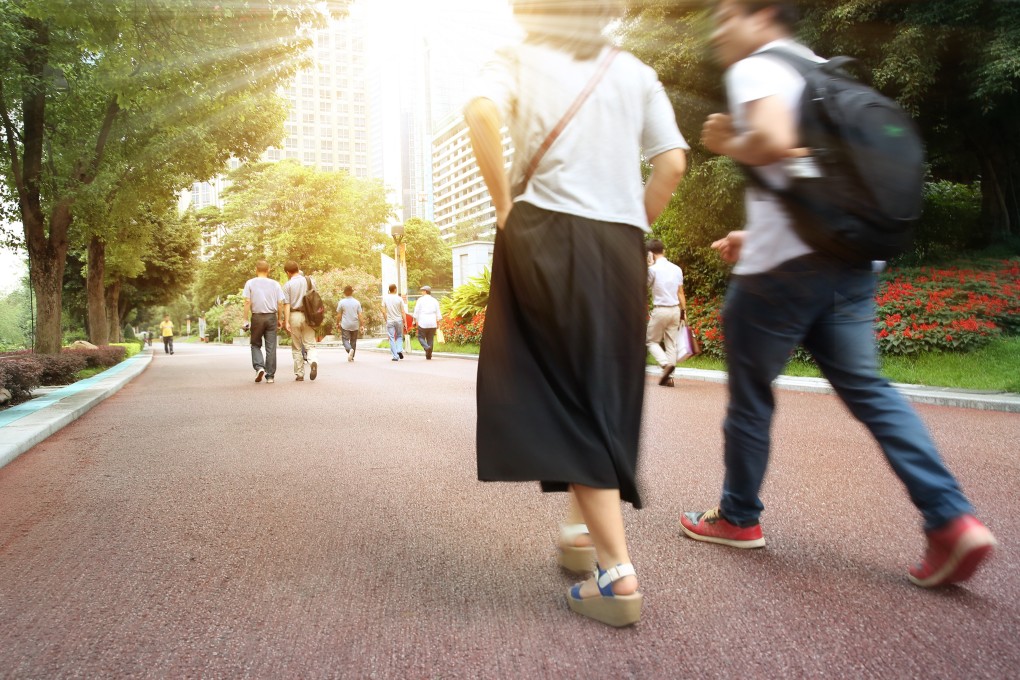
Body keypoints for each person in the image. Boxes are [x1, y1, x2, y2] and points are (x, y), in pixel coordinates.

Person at [682, 0, 996, 588]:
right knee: (871, 391)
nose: (718, 29)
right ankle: (952, 518)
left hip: (782, 274)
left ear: (763, 16)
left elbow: (775, 144)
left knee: (750, 394)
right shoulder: (824, 69)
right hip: (849, 259)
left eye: (726, 16)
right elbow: (816, 177)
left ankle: (738, 517)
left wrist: (727, 139)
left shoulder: (757, 65)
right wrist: (755, 232)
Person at [465, 0, 687, 627]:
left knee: (560, 389)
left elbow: (479, 111)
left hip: (545, 231)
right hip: (620, 243)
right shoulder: (635, 71)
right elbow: (671, 163)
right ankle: (579, 530)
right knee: (605, 382)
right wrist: (633, 223)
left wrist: (506, 206)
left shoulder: (516, 57)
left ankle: (616, 575)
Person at [646, 238, 687, 387]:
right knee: (671, 344)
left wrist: (648, 266)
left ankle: (665, 364)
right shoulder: (676, 269)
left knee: (651, 341)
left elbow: (644, 286)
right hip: (675, 310)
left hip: (660, 310)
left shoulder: (653, 270)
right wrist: (683, 312)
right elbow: (681, 293)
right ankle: (669, 378)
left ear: (650, 253)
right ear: (664, 251)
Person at [242, 260, 286, 384]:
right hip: (271, 317)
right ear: (269, 270)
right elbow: (280, 303)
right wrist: (280, 319)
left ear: (256, 270)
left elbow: (247, 302)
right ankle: (270, 376)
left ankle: (259, 367)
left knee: (255, 344)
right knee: (271, 347)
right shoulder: (275, 284)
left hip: (257, 317)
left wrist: (245, 319)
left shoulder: (250, 283)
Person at [282, 261, 319, 381]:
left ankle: (300, 374)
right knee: (310, 344)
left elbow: (286, 305)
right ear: (298, 269)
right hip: (309, 316)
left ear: (288, 272)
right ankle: (313, 360)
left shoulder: (287, 285)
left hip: (294, 315)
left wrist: (286, 321)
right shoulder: (309, 281)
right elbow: (315, 297)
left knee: (297, 346)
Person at [335, 286, 364, 362]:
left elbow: (339, 315)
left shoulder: (341, 302)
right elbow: (360, 315)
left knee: (345, 339)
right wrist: (362, 325)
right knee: (353, 341)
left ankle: (349, 349)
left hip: (345, 324)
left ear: (344, 293)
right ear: (352, 292)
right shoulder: (357, 302)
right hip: (355, 324)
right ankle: (352, 356)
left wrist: (337, 323)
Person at [412, 285, 442, 360]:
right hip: (432, 323)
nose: (421, 292)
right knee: (430, 339)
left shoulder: (420, 300)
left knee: (420, 337)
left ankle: (426, 347)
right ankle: (429, 355)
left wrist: (414, 320)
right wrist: (439, 322)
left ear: (425, 291)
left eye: (422, 291)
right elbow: (438, 312)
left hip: (423, 322)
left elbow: (416, 311)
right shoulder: (434, 300)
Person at [381, 283, 407, 361]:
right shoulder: (399, 299)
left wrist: (386, 319)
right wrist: (405, 322)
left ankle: (395, 356)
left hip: (390, 320)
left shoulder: (385, 298)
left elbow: (383, 311)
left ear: (389, 290)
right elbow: (403, 311)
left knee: (391, 338)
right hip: (399, 320)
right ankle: (399, 349)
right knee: (399, 336)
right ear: (395, 289)